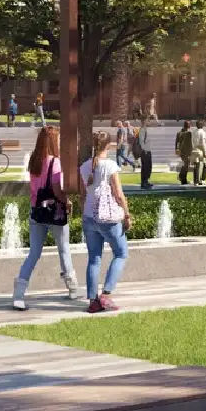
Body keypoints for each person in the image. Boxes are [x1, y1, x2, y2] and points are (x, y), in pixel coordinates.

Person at [12, 126, 79, 309]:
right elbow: (57, 189)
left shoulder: (34, 160)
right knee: (63, 249)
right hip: (54, 212)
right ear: (53, 142)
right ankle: (72, 288)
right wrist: (67, 202)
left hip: (36, 211)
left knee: (33, 254)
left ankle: (19, 294)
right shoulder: (54, 162)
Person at [78, 131, 132, 313]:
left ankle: (93, 301)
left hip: (89, 216)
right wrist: (127, 214)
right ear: (108, 146)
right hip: (108, 218)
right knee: (121, 253)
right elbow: (118, 193)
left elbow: (83, 195)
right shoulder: (110, 165)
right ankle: (106, 293)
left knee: (94, 259)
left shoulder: (85, 166)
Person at [190, 121, 206, 185]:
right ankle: (202, 179)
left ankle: (196, 181)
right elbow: (202, 143)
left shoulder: (193, 132)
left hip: (194, 150)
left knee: (196, 166)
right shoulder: (202, 132)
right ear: (202, 125)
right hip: (200, 150)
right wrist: (205, 153)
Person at [136, 119, 153, 189]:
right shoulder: (142, 130)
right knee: (145, 167)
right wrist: (144, 150)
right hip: (145, 151)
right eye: (148, 121)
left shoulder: (145, 130)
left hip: (148, 151)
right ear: (145, 122)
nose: (149, 122)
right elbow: (141, 141)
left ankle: (146, 181)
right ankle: (144, 182)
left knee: (149, 167)